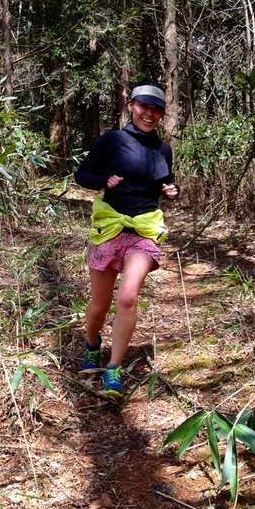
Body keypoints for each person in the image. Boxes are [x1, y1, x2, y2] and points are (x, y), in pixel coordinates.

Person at [74, 79, 179, 398]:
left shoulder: (163, 149)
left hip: (144, 231)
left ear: (161, 115)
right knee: (99, 306)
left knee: (128, 297)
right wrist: (104, 179)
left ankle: (114, 370)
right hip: (109, 227)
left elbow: (166, 182)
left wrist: (172, 191)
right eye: (144, 106)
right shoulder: (112, 141)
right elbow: (82, 175)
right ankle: (92, 344)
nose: (149, 113)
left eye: (156, 109)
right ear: (131, 106)